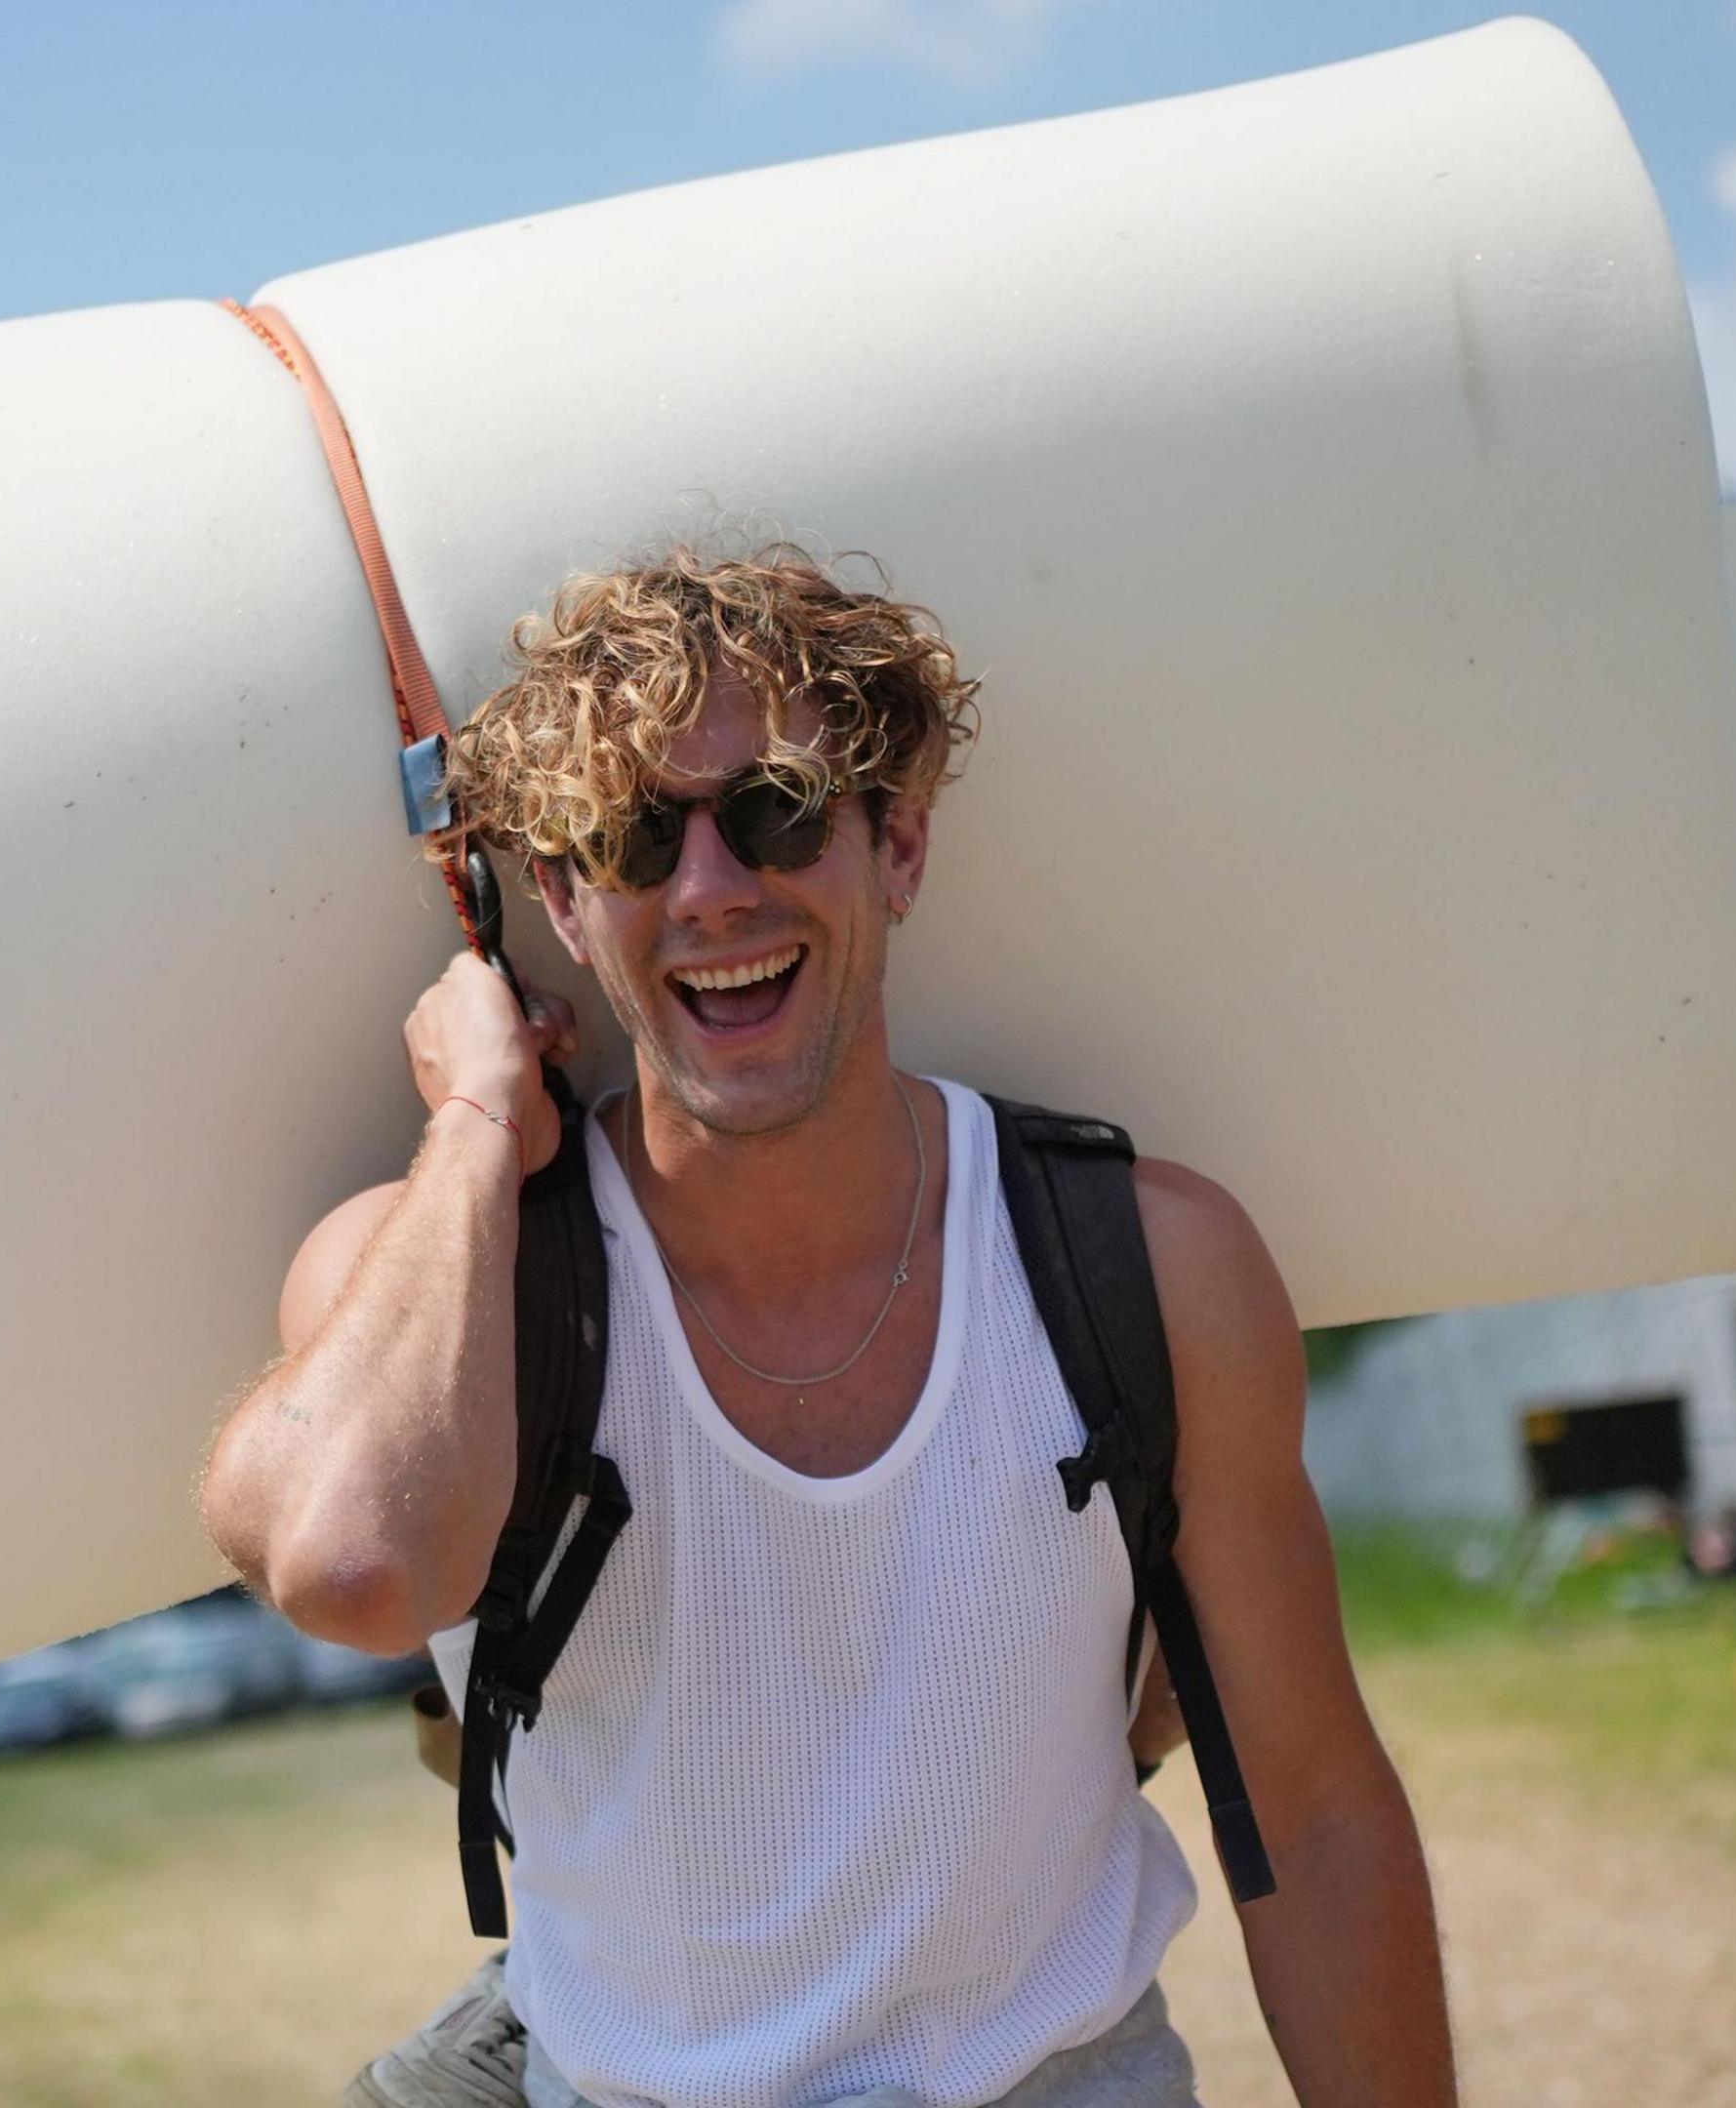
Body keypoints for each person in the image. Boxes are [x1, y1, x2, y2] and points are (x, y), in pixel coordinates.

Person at [202, 548, 1458, 2107]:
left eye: (780, 812)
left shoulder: (1150, 1266)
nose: (715, 888)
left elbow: (1320, 1817)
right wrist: (473, 1117)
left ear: (901, 847)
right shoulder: (441, 1282)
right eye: (636, 838)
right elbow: (353, 1563)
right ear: (565, 905)